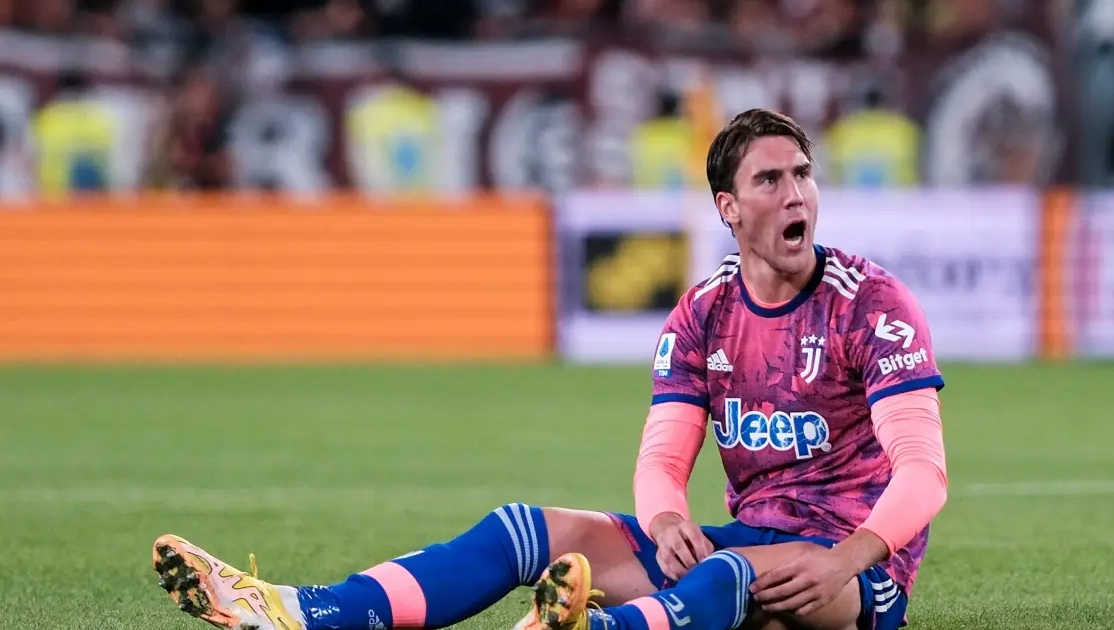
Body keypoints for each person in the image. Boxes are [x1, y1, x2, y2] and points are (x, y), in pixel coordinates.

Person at [150, 108, 948, 630]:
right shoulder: (704, 312)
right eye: (770, 180)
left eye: (802, 174)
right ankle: (304, 611)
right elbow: (663, 458)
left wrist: (848, 558)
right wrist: (667, 521)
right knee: (528, 528)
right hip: (746, 542)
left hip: (854, 569)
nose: (795, 194)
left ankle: (591, 626)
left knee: (728, 575)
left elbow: (923, 471)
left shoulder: (871, 304)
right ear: (728, 208)